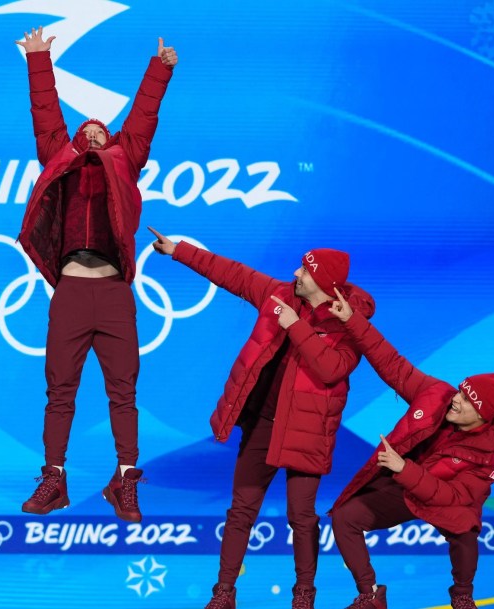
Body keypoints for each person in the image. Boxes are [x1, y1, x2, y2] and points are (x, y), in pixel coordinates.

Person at [149, 227, 375, 609]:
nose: (295, 273)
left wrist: (295, 326)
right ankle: (223, 593)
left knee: (301, 517)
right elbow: (234, 274)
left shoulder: (349, 325)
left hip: (307, 431)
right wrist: (179, 251)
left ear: (320, 281)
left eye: (304, 270)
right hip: (264, 425)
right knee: (241, 511)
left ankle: (303, 595)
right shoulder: (280, 296)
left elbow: (332, 368)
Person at [15, 26, 178, 523]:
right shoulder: (58, 159)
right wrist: (39, 58)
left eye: (99, 129)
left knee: (123, 391)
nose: (90, 129)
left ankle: (125, 480)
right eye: (82, 128)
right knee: (59, 389)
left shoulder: (125, 160)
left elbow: (144, 118)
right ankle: (54, 479)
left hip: (111, 293)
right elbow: (45, 115)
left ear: (111, 139)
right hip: (69, 292)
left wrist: (160, 70)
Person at [325, 288, 494, 609]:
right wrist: (351, 320)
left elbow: (453, 497)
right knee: (346, 517)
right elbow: (393, 364)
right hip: (405, 485)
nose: (456, 399)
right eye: (461, 390)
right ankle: (370, 594)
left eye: (467, 399)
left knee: (465, 530)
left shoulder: (490, 452)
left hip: (443, 493)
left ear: (483, 415)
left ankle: (462, 597)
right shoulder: (437, 395)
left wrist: (405, 470)